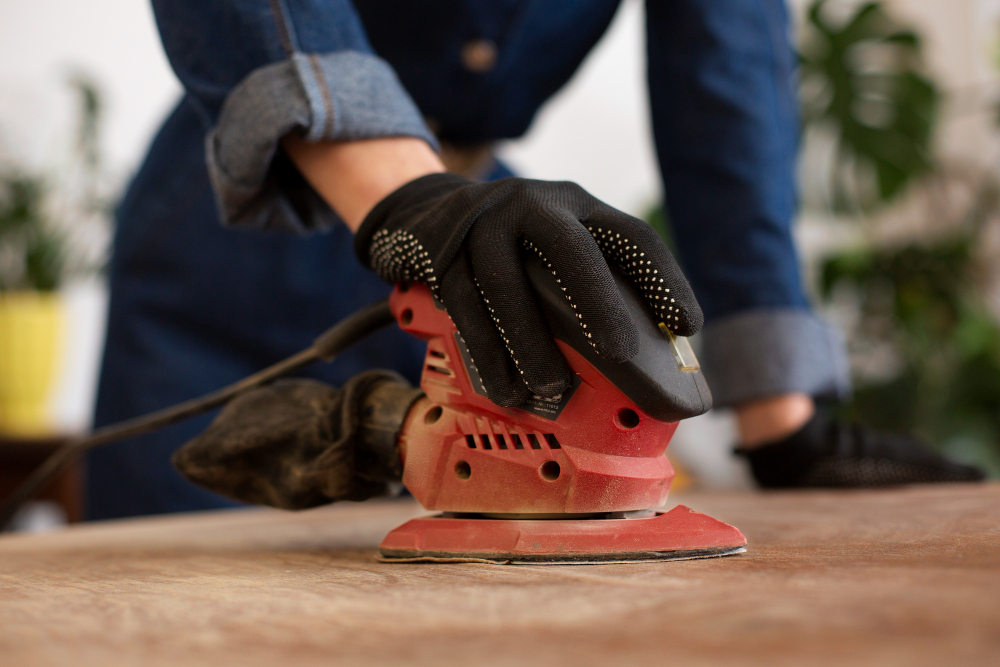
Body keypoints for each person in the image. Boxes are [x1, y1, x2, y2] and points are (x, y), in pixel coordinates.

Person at [87, 0, 981, 521]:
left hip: (481, 242)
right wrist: (412, 202)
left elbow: (727, 78)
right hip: (245, 237)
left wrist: (780, 418)